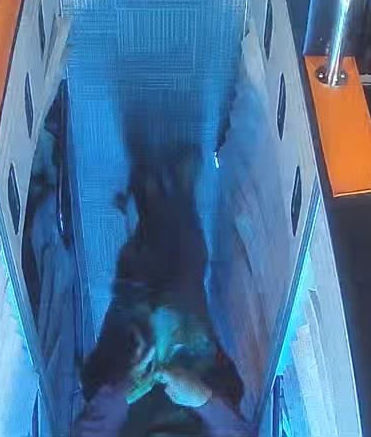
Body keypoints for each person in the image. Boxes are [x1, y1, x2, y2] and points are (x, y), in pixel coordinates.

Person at [74, 156, 253, 437]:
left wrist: (126, 391)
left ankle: (146, 213)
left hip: (128, 408)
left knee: (134, 299)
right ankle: (181, 198)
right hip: (194, 403)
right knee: (185, 292)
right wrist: (202, 399)